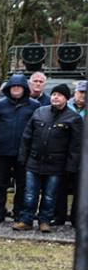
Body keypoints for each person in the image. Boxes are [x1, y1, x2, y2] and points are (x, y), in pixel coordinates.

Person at [15, 84, 83, 233]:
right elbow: (27, 137)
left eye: (59, 95)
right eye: (53, 94)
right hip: (34, 161)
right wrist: (23, 158)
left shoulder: (74, 118)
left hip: (56, 164)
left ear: (66, 98)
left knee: (50, 196)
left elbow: (75, 146)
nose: (55, 97)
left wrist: (71, 166)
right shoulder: (39, 112)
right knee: (30, 194)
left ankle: (44, 221)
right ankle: (26, 220)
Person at [0, 74, 40, 222]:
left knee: (22, 183)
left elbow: (37, 128)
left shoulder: (34, 106)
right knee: (0, 183)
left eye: (19, 86)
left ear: (25, 88)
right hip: (3, 151)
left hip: (24, 152)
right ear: (9, 88)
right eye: (13, 86)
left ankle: (18, 211)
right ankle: (0, 211)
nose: (16, 89)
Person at [55, 80, 87, 226]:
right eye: (81, 92)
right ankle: (59, 216)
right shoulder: (65, 106)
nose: (83, 95)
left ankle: (76, 218)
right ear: (75, 92)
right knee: (60, 186)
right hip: (63, 151)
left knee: (80, 188)